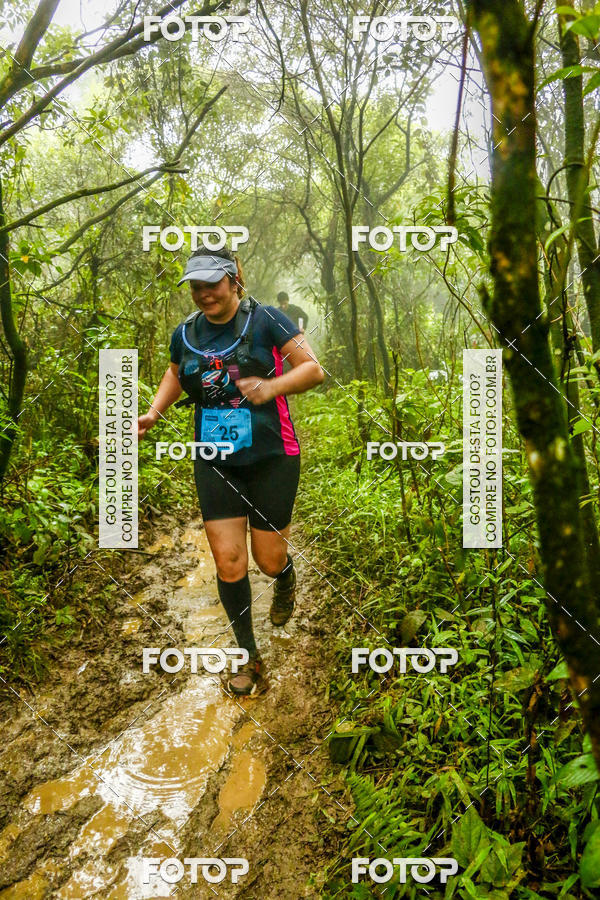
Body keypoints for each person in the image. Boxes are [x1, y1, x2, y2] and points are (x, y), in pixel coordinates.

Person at [138, 247, 324, 695]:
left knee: (267, 559)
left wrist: (270, 387)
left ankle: (284, 576)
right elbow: (176, 373)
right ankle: (249, 658)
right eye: (196, 286)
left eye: (212, 284)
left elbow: (313, 370)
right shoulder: (186, 332)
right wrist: (154, 412)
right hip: (215, 459)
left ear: (234, 279)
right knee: (229, 561)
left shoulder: (268, 319)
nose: (204, 294)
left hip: (272, 457)